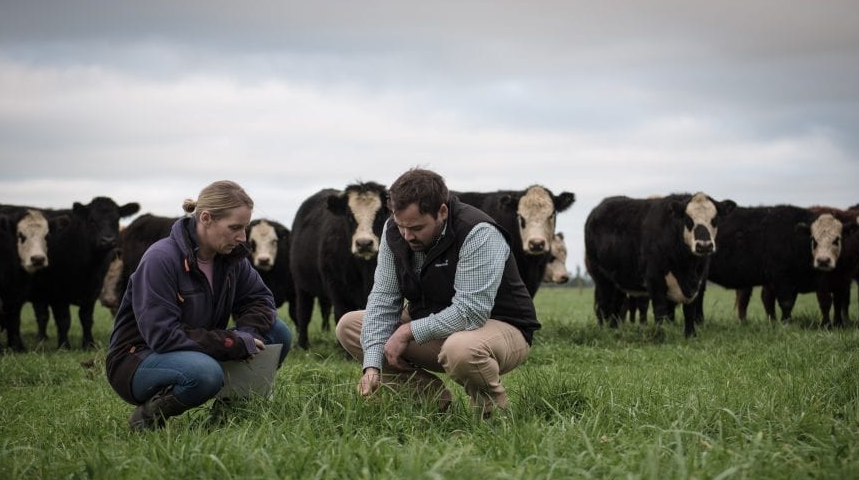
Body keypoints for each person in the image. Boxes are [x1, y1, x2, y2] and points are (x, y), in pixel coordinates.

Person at [336, 167, 539, 416]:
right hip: (434, 320)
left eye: (417, 228)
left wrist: (407, 331)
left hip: (498, 325)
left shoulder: (477, 231)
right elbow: (383, 298)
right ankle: (434, 404)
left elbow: (471, 313)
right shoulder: (393, 231)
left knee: (461, 349)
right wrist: (372, 367)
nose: (407, 235)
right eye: (401, 225)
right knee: (350, 326)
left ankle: (493, 414)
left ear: (442, 212)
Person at [106, 180, 292, 430]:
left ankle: (229, 413)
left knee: (277, 332)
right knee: (206, 373)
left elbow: (259, 300)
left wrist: (247, 335)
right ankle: (148, 417)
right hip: (139, 359)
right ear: (205, 218)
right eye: (235, 227)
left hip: (193, 347)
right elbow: (162, 335)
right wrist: (232, 343)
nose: (242, 237)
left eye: (245, 227)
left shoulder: (232, 257)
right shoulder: (161, 259)